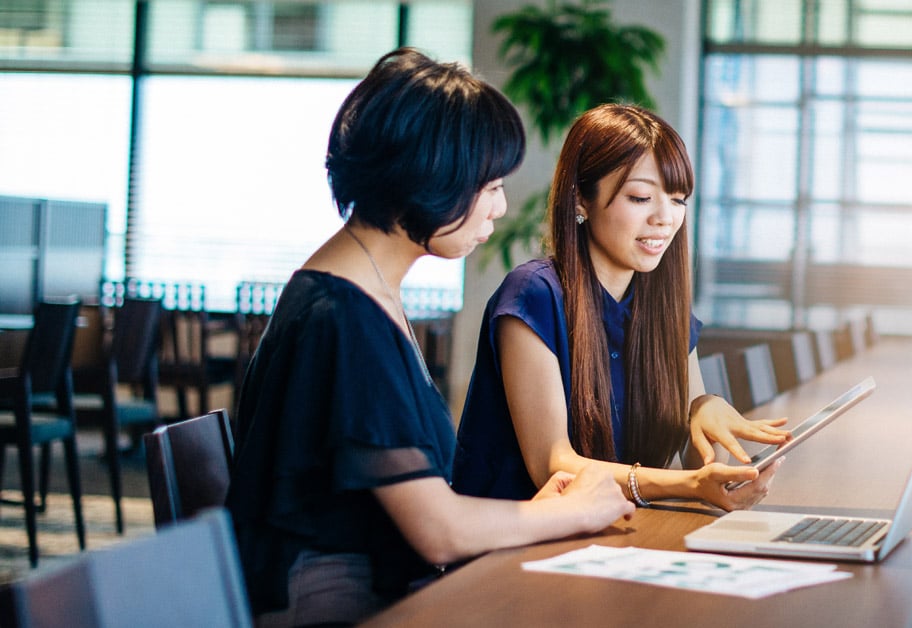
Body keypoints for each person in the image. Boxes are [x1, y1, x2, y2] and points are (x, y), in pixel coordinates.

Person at [225, 48, 634, 627]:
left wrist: (539, 512)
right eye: (488, 185)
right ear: (432, 179)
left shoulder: (354, 290)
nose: (500, 206)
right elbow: (438, 533)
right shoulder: (344, 317)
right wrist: (579, 511)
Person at [453, 103, 790, 512]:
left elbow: (703, 470)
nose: (665, 218)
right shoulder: (533, 295)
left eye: (678, 199)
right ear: (580, 198)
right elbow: (553, 468)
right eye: (641, 197)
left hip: (613, 538)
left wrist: (706, 410)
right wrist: (690, 485)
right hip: (513, 550)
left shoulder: (664, 308)